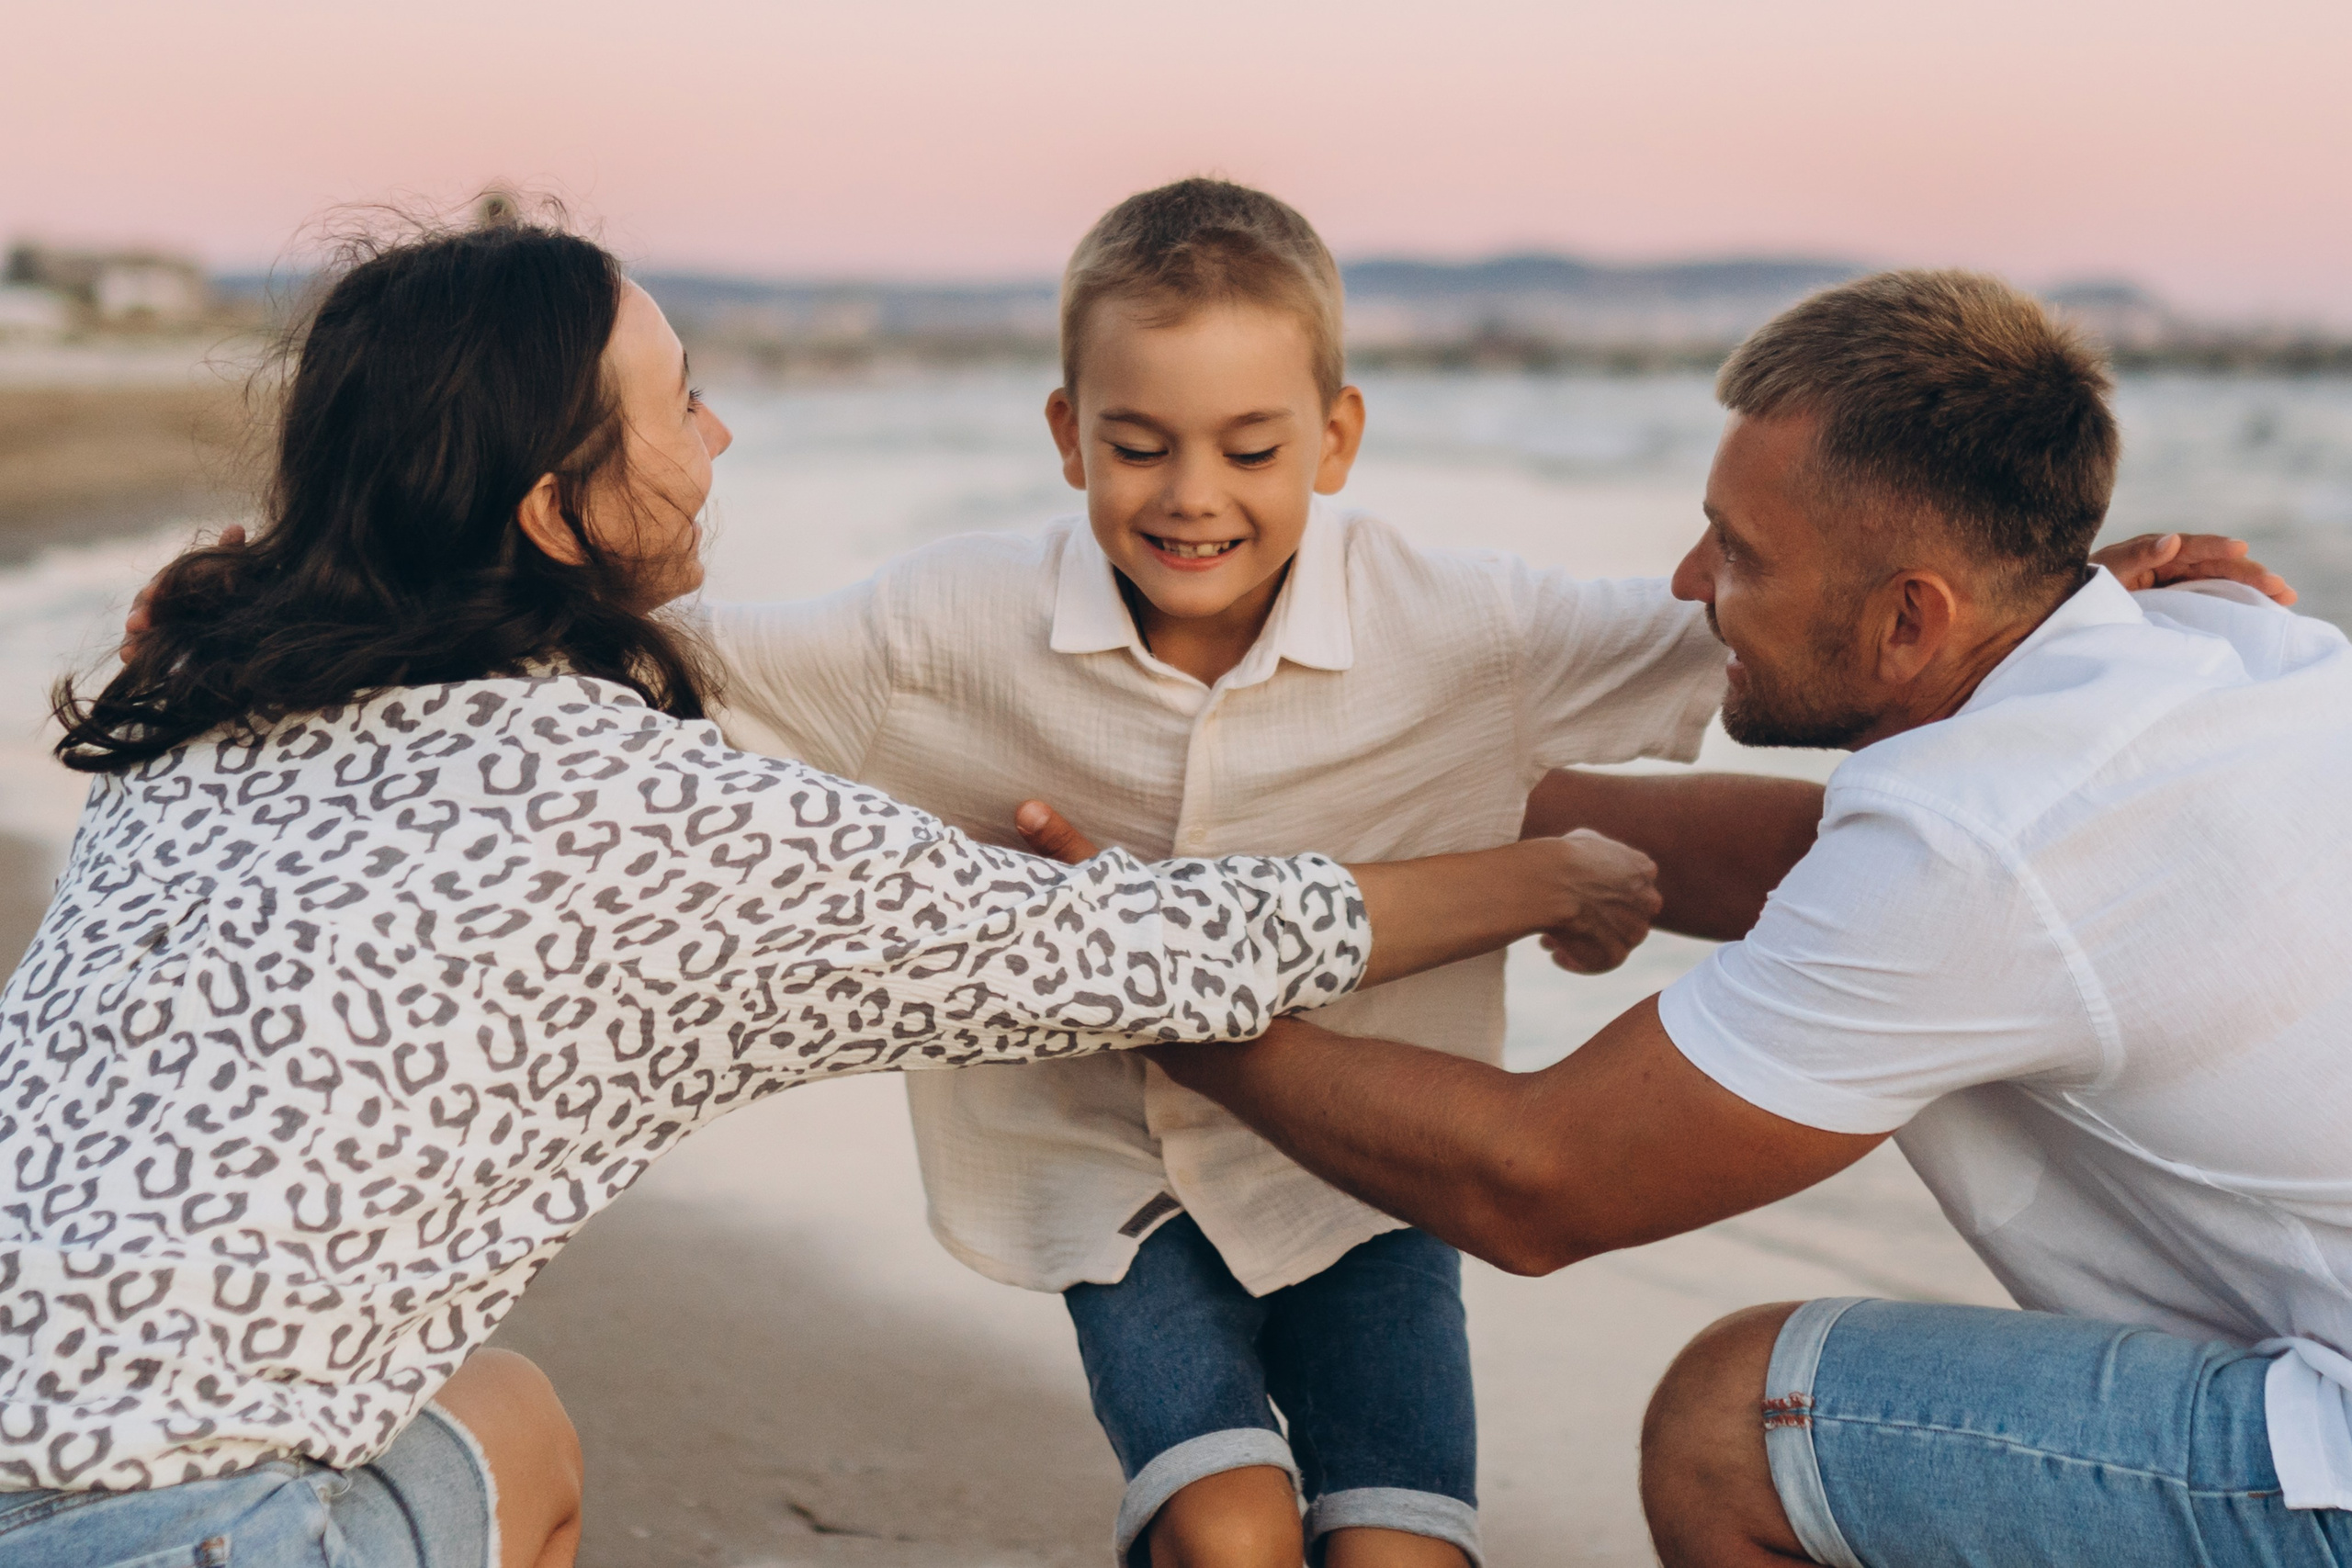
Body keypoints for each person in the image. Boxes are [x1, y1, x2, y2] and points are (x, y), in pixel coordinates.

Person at [0, 214, 1658, 1568]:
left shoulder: (193, 735)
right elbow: (1157, 951)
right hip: (189, 1541)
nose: (720, 435)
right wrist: (1536, 876)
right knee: (522, 1434)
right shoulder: (639, 811)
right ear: (554, 507)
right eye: (682, 403)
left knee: (493, 1409)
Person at [695, 181, 2268, 1568]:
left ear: (1336, 440)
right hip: (1112, 1189)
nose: (1191, 494)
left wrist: (2063, 605)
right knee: (1231, 1527)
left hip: (1377, 1186)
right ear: (1066, 434)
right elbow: (684, 682)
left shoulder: (1477, 636)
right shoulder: (933, 632)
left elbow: (1814, 655)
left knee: (1463, 1525)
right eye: (1138, 444)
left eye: (1250, 446)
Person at [1075, 268, 2352, 1568]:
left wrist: (1152, 984)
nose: (1691, 583)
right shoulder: (2214, 654)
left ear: (1914, 616)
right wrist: (1369, 788)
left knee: (1737, 1426)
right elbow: (1829, 881)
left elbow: (1534, 1183)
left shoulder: (1976, 846)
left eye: (1739, 553)